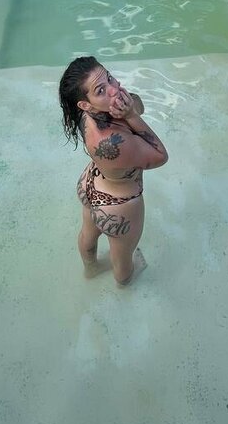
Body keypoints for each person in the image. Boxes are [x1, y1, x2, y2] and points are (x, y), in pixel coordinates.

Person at [59, 56, 169, 286]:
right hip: (118, 207)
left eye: (109, 78)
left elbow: (138, 103)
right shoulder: (115, 143)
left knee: (88, 234)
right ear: (85, 104)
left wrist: (126, 108)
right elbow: (160, 156)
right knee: (122, 259)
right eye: (101, 90)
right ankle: (124, 286)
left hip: (90, 183)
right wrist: (131, 116)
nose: (114, 89)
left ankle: (91, 269)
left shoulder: (87, 114)